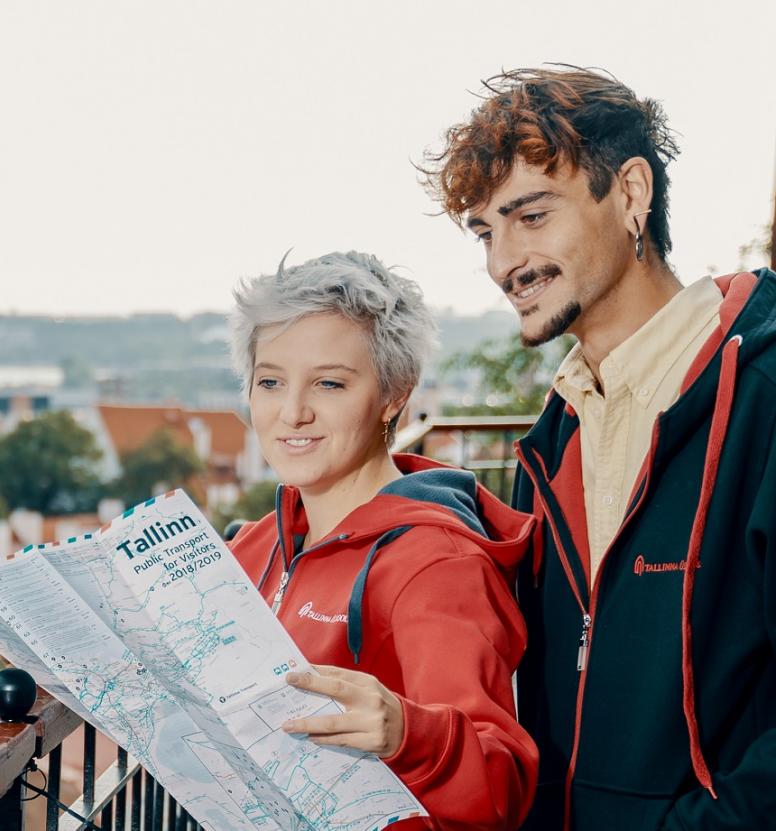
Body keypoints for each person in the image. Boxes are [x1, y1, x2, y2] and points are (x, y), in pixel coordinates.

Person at [424, 66, 776, 830]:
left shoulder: (763, 395)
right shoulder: (555, 437)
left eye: (530, 216)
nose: (501, 262)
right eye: (487, 230)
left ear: (630, 193)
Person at [224, 251, 538, 830]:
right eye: (270, 381)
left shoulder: (437, 566)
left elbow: (502, 787)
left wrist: (408, 735)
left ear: (394, 395)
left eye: (329, 383)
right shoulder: (258, 544)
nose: (292, 412)